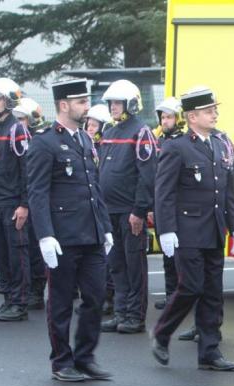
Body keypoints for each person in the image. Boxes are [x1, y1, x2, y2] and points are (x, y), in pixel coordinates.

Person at [27, 78, 114, 382]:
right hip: (62, 236)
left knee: (95, 296)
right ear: (64, 105)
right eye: (80, 102)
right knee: (62, 300)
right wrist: (45, 235)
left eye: (86, 101)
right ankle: (62, 361)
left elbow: (94, 188)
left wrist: (105, 228)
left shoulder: (86, 140)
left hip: (90, 234)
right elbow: (37, 192)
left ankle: (85, 356)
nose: (86, 107)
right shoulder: (44, 142)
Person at [151, 86, 234, 371]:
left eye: (215, 109)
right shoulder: (176, 146)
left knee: (213, 291)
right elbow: (163, 192)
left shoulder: (218, 144)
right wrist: (166, 230)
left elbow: (227, 190)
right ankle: (162, 332)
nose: (214, 114)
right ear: (191, 116)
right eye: (208, 110)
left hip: (213, 230)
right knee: (190, 286)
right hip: (187, 230)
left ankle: (209, 351)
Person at [99, 79, 157, 334]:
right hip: (109, 211)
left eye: (117, 103)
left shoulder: (141, 132)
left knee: (134, 265)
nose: (113, 107)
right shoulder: (109, 133)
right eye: (111, 103)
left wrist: (139, 210)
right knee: (116, 264)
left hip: (130, 213)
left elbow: (147, 176)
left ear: (130, 104)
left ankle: (135, 315)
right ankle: (121, 312)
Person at [0, 78, 31, 322]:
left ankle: (20, 303)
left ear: (10, 100)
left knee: (16, 254)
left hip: (13, 204)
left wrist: (24, 204)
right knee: (0, 255)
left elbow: (26, 169)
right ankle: (9, 300)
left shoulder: (17, 130)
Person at [13, 98, 48, 310]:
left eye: (22, 119)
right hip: (23, 199)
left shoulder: (40, 141)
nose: (18, 123)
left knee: (36, 247)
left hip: (39, 201)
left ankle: (37, 288)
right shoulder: (17, 140)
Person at [152, 97, 184, 312]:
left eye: (169, 117)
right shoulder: (159, 141)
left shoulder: (181, 143)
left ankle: (180, 297)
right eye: (163, 117)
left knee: (179, 259)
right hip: (161, 206)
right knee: (167, 256)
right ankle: (170, 294)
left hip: (178, 208)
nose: (165, 121)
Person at [83, 103, 115, 315]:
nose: (90, 128)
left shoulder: (106, 147)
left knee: (110, 257)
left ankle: (109, 299)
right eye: (89, 123)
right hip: (91, 206)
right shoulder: (85, 145)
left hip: (107, 206)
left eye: (95, 124)